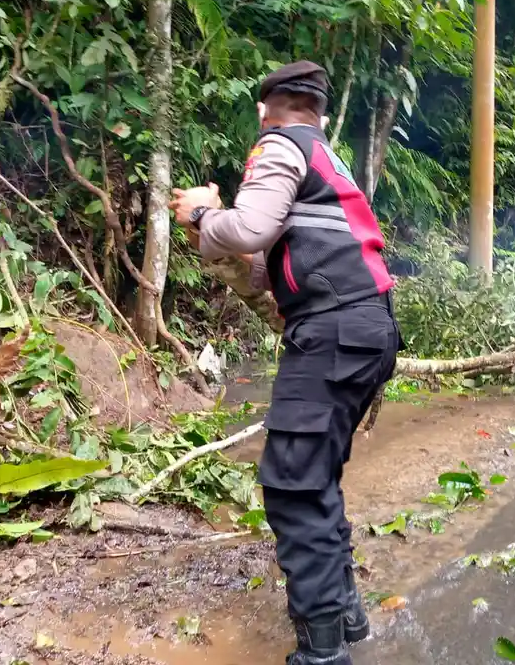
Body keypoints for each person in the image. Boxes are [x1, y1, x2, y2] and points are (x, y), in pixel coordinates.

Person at [170, 61, 401, 665]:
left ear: (263, 109)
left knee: (293, 486)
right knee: (314, 474)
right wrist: (213, 241)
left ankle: (323, 648)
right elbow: (262, 266)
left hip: (336, 332)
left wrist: (200, 214)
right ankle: (344, 615)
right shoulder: (327, 156)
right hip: (366, 327)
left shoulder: (278, 143)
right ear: (322, 110)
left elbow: (249, 228)